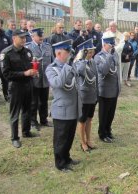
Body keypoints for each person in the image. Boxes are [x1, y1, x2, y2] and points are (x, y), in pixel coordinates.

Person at [45, 39, 80, 172]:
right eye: (67, 51)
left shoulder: (69, 65)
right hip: (61, 110)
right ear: (59, 53)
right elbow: (58, 83)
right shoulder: (51, 68)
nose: (70, 54)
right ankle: (60, 163)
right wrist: (67, 66)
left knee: (69, 136)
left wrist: (74, 63)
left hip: (72, 107)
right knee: (61, 138)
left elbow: (77, 79)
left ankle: (66, 157)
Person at [1, 29, 38, 148]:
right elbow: (6, 74)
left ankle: (26, 132)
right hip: (16, 87)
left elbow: (29, 66)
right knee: (15, 113)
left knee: (27, 110)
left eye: (25, 37)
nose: (24, 40)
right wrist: (24, 73)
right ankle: (14, 137)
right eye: (21, 37)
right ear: (14, 38)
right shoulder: (6, 53)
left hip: (28, 85)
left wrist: (33, 71)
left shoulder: (27, 51)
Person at [94, 31, 121, 143]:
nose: (112, 46)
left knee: (111, 113)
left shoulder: (113, 54)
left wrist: (113, 54)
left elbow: (117, 67)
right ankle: (102, 133)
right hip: (104, 90)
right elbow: (104, 71)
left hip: (114, 89)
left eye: (112, 44)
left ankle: (108, 130)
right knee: (104, 113)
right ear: (104, 44)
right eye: (110, 44)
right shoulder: (98, 57)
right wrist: (109, 56)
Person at [25, 28, 54, 131]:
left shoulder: (47, 46)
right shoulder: (28, 47)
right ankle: (33, 121)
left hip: (45, 78)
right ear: (33, 36)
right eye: (39, 36)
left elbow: (52, 62)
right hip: (34, 79)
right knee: (34, 101)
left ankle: (44, 119)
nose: (41, 37)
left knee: (44, 100)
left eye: (42, 35)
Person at [74, 39, 98, 152]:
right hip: (83, 96)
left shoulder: (92, 61)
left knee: (89, 119)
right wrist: (82, 59)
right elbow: (80, 71)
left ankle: (88, 140)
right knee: (82, 120)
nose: (91, 54)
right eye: (88, 52)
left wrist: (96, 93)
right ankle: (82, 142)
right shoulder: (79, 62)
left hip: (92, 95)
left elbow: (95, 77)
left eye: (92, 52)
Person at [0, 17, 10, 106]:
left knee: (6, 81)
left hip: (4, 63)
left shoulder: (5, 36)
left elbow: (10, 47)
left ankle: (7, 96)